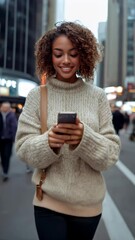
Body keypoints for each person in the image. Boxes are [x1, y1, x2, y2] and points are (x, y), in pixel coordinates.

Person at [15, 21, 121, 240]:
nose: (65, 61)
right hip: (48, 203)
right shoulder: (37, 96)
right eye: (58, 54)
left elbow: (110, 156)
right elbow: (23, 149)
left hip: (89, 206)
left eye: (73, 54)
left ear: (83, 56)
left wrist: (84, 138)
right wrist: (50, 141)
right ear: (49, 56)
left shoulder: (98, 97)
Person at [0, 102, 17, 181]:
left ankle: (5, 172)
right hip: (0, 139)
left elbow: (14, 127)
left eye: (6, 107)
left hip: (8, 139)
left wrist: (13, 137)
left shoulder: (11, 115)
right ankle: (4, 168)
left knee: (7, 155)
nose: (4, 108)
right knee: (2, 156)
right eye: (3, 107)